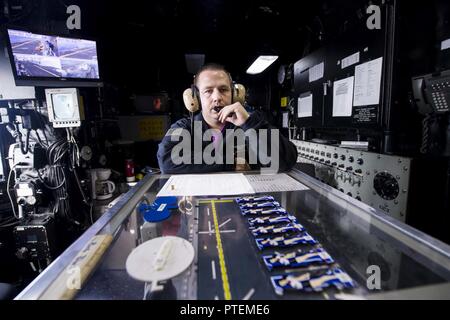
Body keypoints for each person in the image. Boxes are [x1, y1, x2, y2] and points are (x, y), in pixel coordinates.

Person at [157, 63, 298, 174]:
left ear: (235, 95)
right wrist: (229, 162)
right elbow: (166, 160)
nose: (217, 97)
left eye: (223, 90)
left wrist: (249, 123)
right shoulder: (184, 127)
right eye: (208, 91)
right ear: (196, 97)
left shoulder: (253, 123)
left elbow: (285, 162)